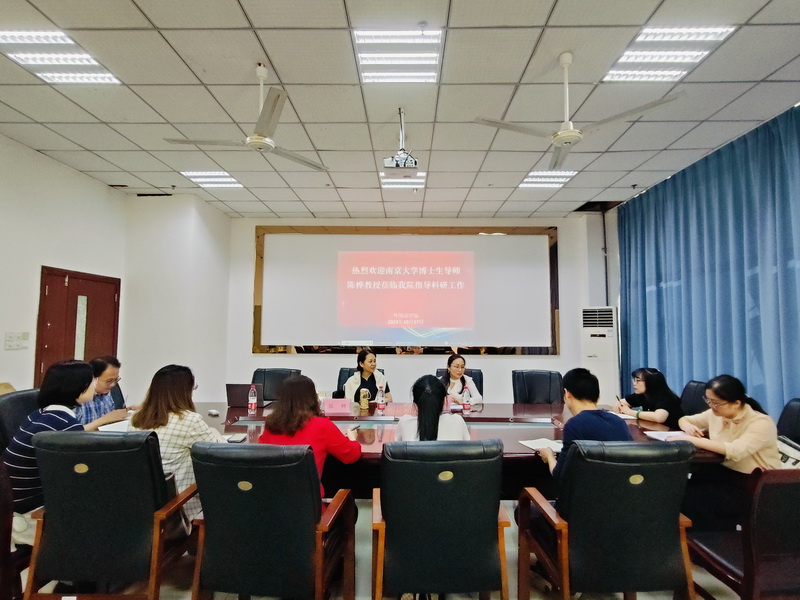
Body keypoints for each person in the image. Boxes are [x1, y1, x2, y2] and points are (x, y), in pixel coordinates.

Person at [3, 360, 127, 547]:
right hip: (29, 507)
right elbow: (80, 474)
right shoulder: (65, 424)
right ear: (79, 388)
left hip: (13, 499)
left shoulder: (41, 414)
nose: (95, 384)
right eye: (92, 381)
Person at [668, 374, 780, 530]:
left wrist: (692, 440)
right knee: (675, 491)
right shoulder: (716, 414)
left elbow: (735, 451)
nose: (711, 406)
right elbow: (685, 419)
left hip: (752, 483)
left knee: (695, 501)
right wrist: (687, 426)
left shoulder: (761, 423)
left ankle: (707, 539)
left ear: (736, 403)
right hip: (722, 472)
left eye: (716, 403)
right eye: (708, 401)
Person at [129, 364, 226, 521]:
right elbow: (220, 454)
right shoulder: (190, 421)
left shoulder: (136, 419)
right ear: (184, 391)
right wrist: (215, 432)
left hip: (144, 509)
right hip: (179, 507)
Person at [259, 375, 361, 498]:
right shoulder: (322, 425)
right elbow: (351, 455)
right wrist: (353, 438)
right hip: (310, 507)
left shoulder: (271, 424)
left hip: (271, 503)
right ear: (312, 398)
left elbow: (262, 452)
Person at [537, 368, 633, 480]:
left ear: (567, 393)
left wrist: (549, 456)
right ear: (597, 397)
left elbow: (560, 475)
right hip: (620, 488)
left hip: (588, 490)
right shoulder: (619, 422)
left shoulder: (574, 425)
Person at [396, 375, 470, 442]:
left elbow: (398, 449)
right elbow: (467, 448)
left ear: (415, 402)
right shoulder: (457, 421)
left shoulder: (405, 423)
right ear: (444, 401)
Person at [616, 367, 683, 429]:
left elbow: (659, 417)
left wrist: (630, 412)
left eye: (638, 381)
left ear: (650, 382)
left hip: (671, 433)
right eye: (634, 380)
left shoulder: (665, 397)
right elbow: (620, 403)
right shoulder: (643, 395)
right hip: (654, 430)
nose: (634, 384)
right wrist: (620, 406)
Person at [74, 355, 124, 425]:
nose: (113, 385)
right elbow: (73, 430)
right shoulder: (79, 397)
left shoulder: (110, 392)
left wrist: (126, 412)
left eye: (116, 380)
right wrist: (105, 419)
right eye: (109, 381)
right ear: (93, 378)